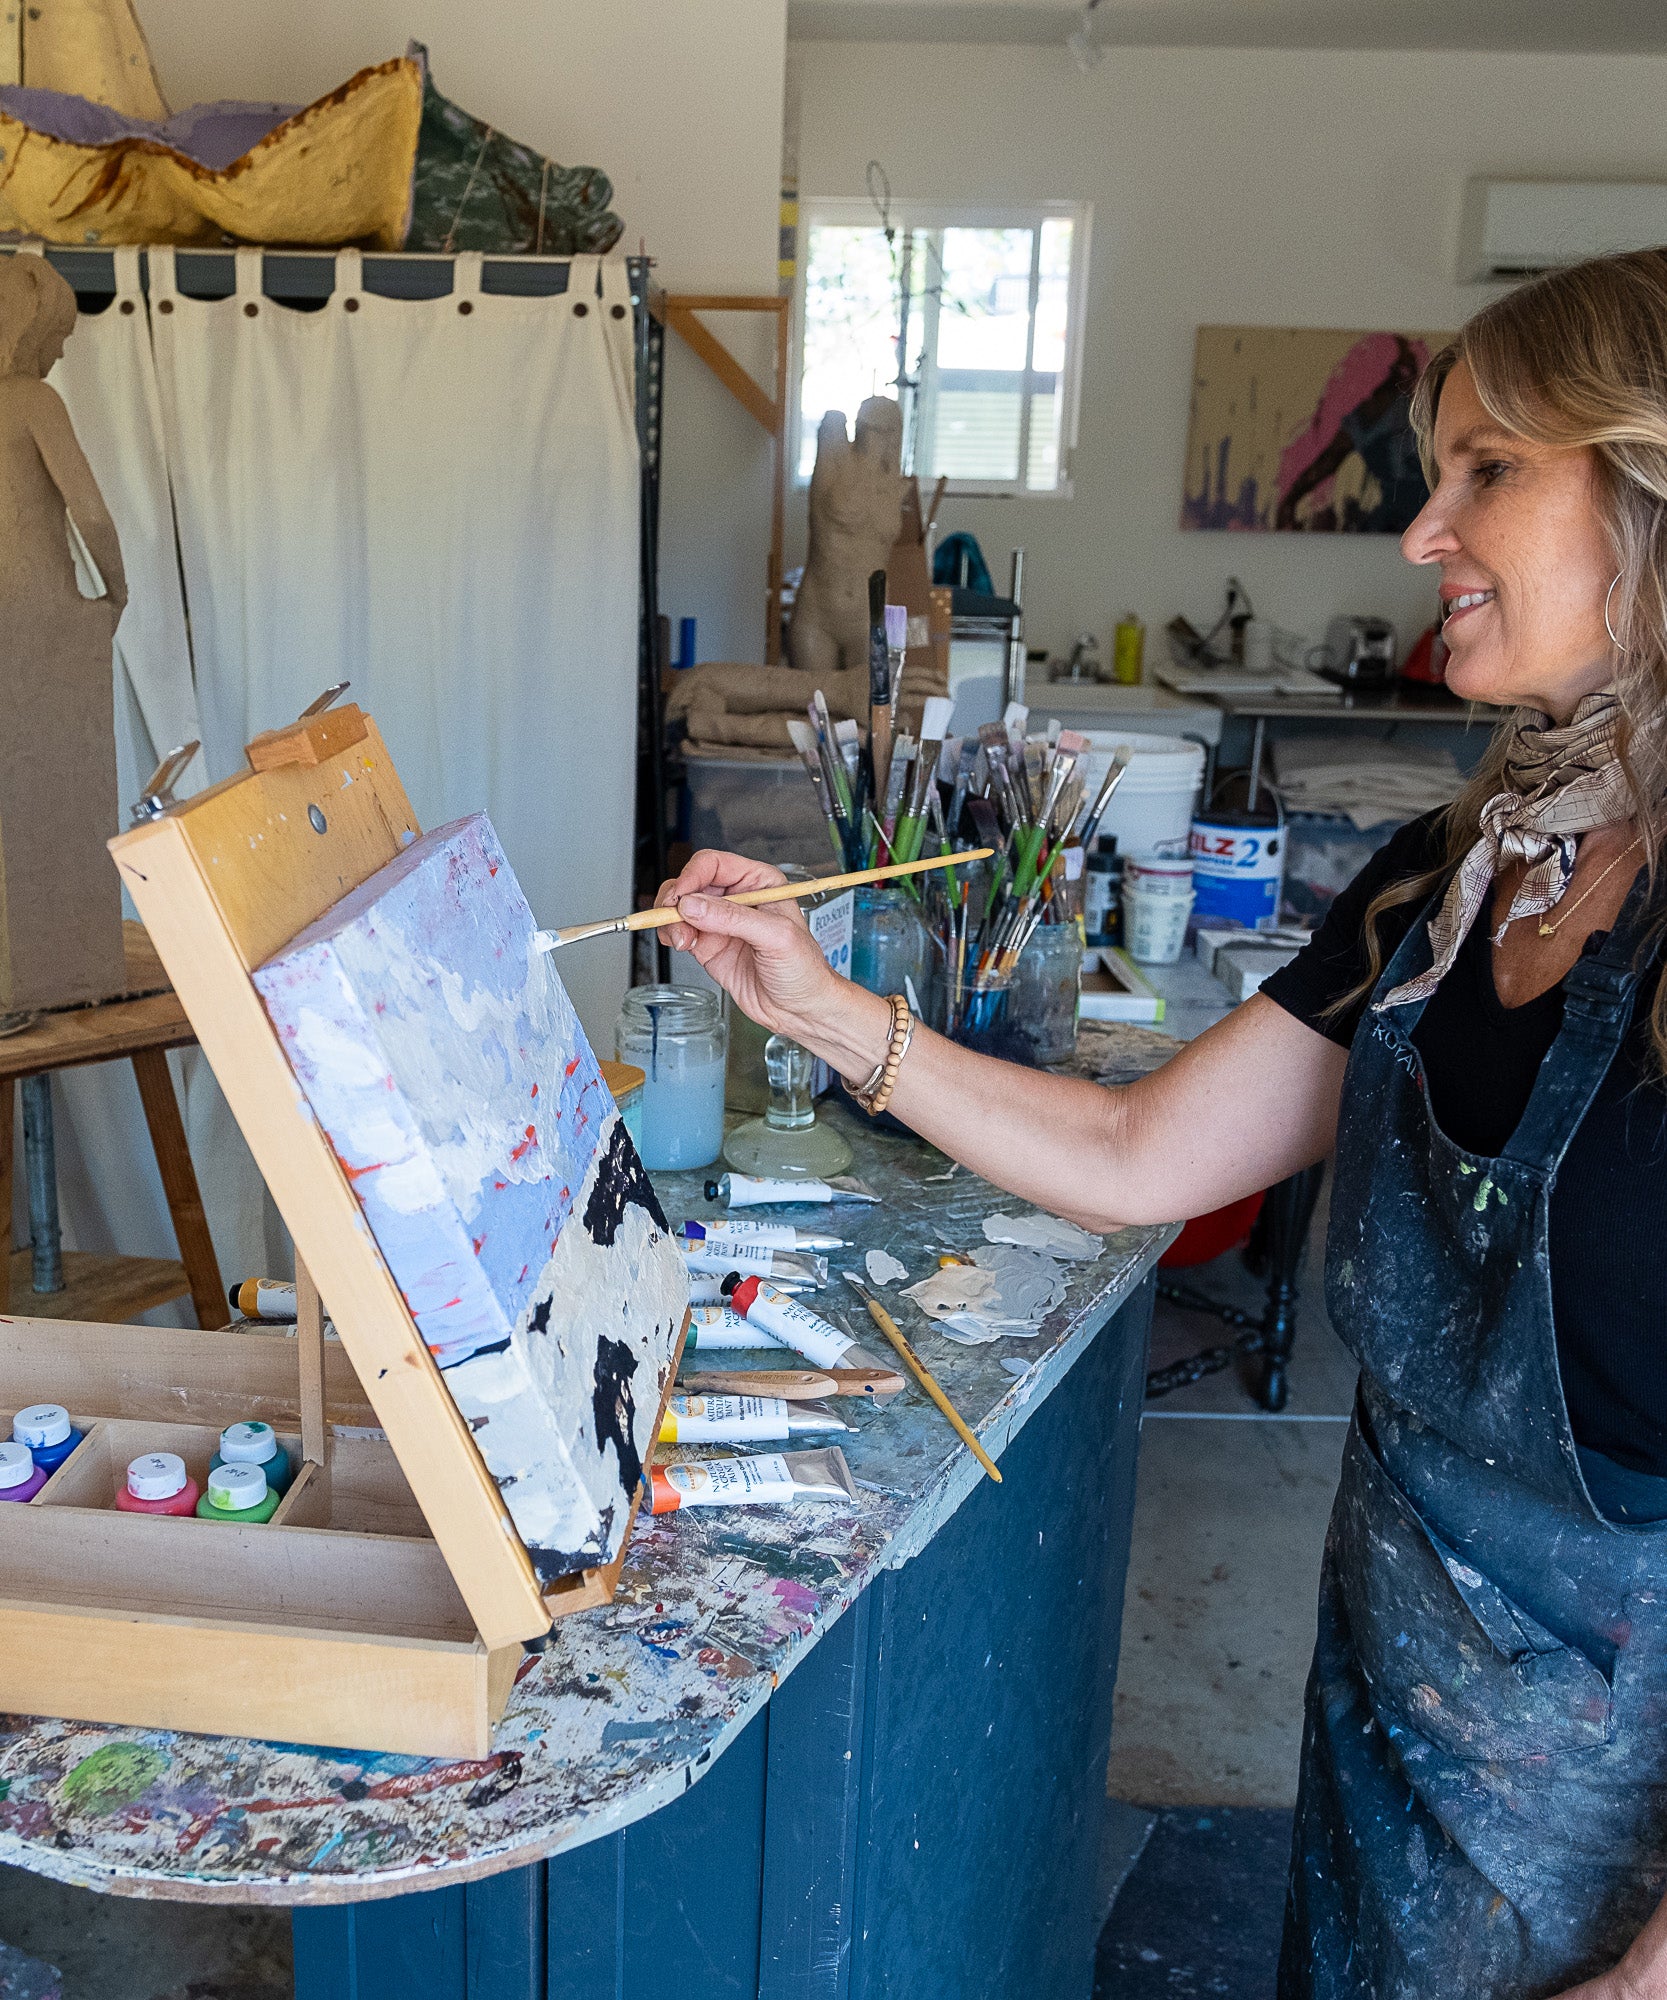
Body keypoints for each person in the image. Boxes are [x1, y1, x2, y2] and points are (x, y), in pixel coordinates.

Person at [658, 247, 1667, 1999]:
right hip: (1383, 1752)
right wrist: (823, 1008)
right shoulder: (1462, 869)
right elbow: (1141, 1160)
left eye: (1487, 472)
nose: (1424, 535)